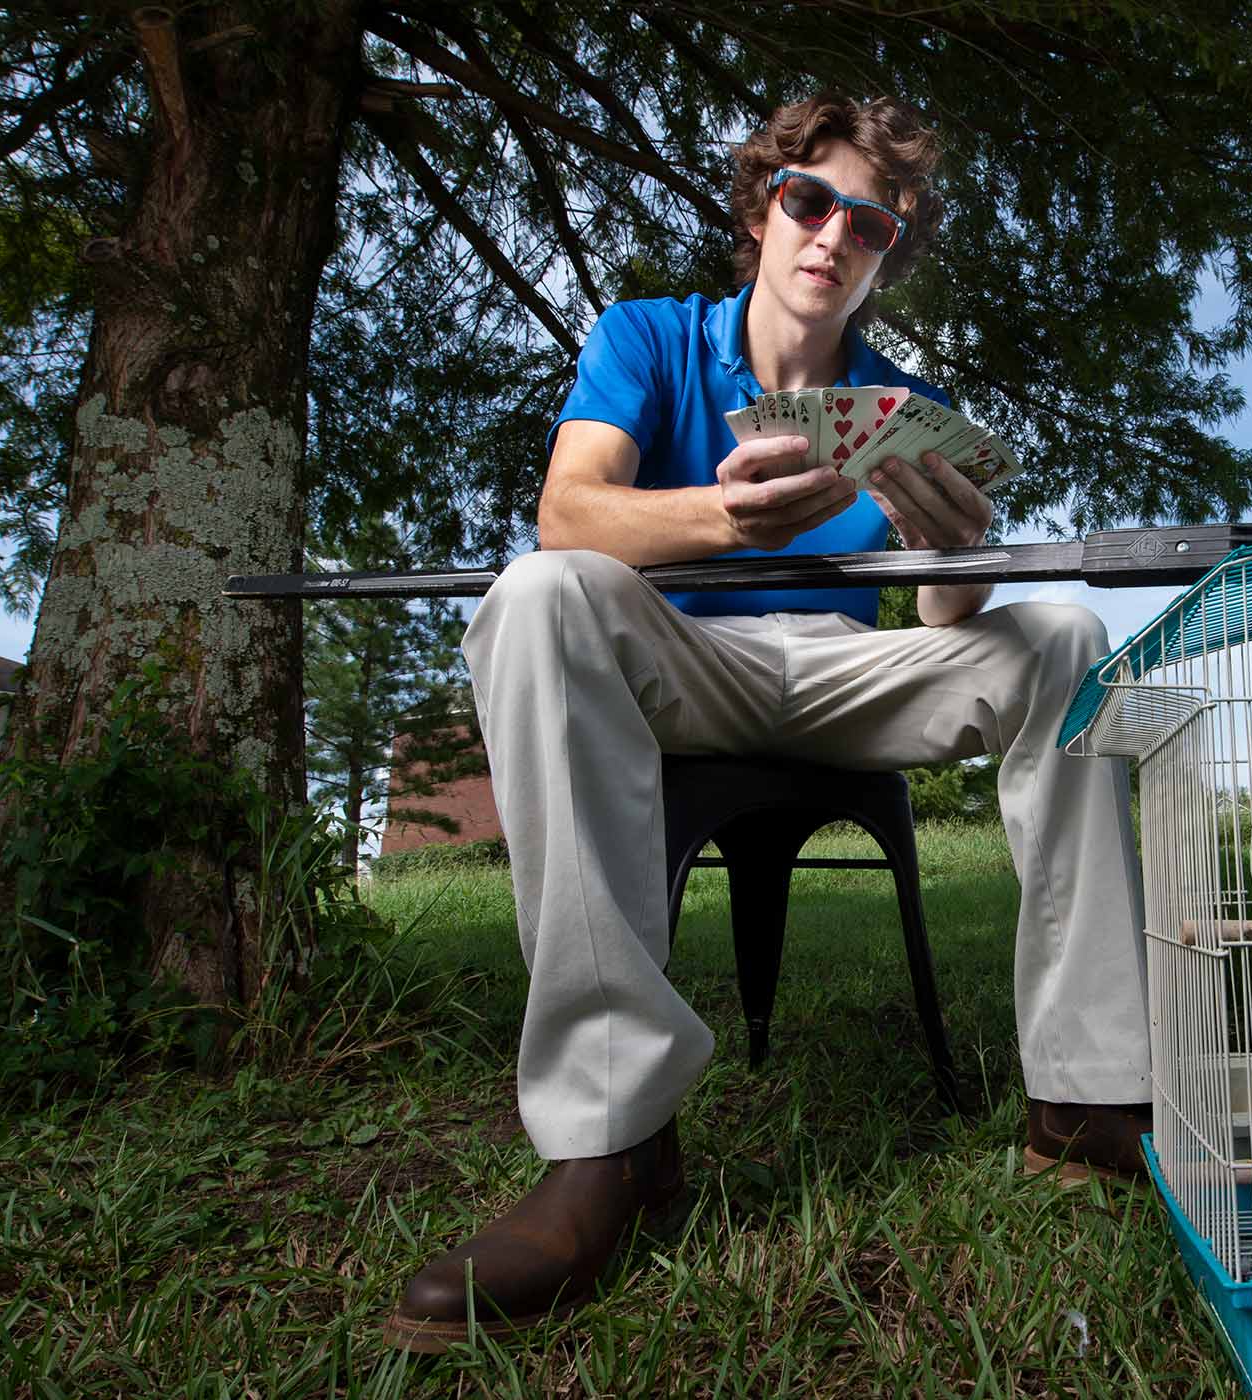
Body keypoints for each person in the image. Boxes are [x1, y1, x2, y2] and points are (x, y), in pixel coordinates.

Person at [383, 93, 1153, 1354]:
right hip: (692, 656)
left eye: (871, 226)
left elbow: (950, 616)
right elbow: (570, 512)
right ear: (761, 208)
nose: (833, 239)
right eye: (811, 202)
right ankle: (613, 1142)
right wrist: (717, 520)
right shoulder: (652, 337)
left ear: (883, 256)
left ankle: (1081, 1096)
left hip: (853, 668)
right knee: (538, 595)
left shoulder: (904, 400)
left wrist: (955, 547)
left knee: (1063, 633)